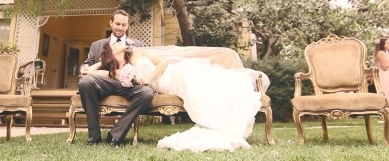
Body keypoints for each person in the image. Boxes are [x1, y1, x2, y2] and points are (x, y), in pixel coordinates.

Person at [91, 42, 264, 152]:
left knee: (194, 79)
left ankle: (223, 117)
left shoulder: (136, 53)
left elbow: (163, 63)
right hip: (163, 86)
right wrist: (102, 60)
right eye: (113, 44)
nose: (117, 43)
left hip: (170, 74)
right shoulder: (119, 71)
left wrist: (149, 78)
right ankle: (219, 122)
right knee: (194, 83)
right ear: (111, 52)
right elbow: (89, 71)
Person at [78, 9, 151, 146]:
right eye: (117, 24)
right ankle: (94, 137)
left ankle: (115, 135)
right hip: (103, 82)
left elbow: (141, 67)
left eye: (124, 25)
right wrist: (84, 68)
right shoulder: (97, 45)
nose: (120, 28)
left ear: (128, 26)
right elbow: (87, 64)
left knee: (146, 93)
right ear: (111, 23)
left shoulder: (138, 45)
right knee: (86, 82)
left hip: (127, 84)